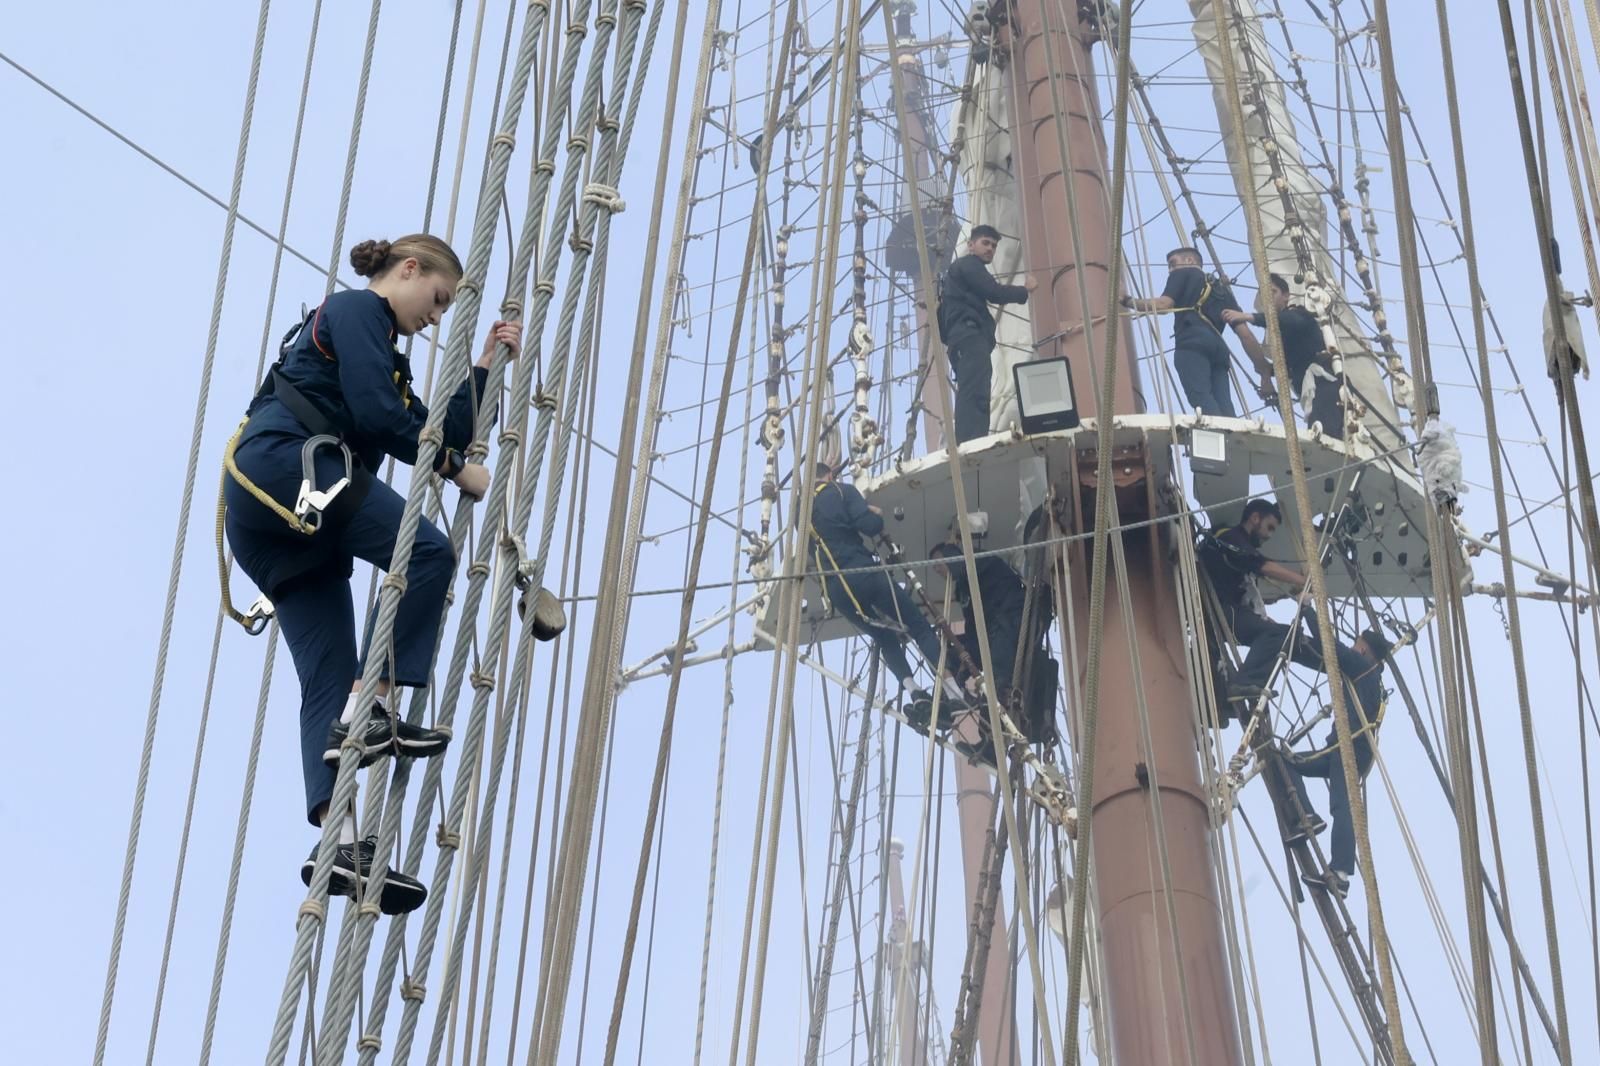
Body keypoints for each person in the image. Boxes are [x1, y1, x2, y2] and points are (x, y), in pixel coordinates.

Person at [224, 234, 522, 914]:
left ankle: (340, 844)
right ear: (409, 270)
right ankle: (379, 704)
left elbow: (427, 427)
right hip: (286, 466)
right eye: (438, 299)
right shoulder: (358, 312)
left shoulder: (385, 358)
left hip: (278, 520)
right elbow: (378, 416)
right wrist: (453, 469)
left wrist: (484, 372)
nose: (436, 316)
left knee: (327, 676)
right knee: (427, 554)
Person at [809, 462, 947, 696]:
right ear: (830, 476)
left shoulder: (802, 513)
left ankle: (913, 692)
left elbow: (815, 548)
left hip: (838, 591)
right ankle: (952, 689)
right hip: (862, 572)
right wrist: (875, 514)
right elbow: (869, 527)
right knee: (918, 625)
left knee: (883, 636)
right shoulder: (842, 490)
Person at [1285, 627, 1393, 899]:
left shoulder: (1362, 667)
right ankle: (1307, 814)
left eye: (1357, 644)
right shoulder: (1374, 678)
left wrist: (1309, 607)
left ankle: (1341, 873)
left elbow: (1330, 645)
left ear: (1364, 649)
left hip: (1347, 749)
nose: (1354, 648)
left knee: (1341, 806)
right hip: (1344, 749)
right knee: (1287, 763)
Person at [929, 541, 1057, 746]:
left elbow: (997, 582)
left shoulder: (980, 562)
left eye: (939, 562)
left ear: (951, 555)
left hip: (1008, 627)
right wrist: (962, 656)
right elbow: (972, 628)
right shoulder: (962, 590)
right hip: (988, 636)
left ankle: (990, 747)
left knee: (996, 686)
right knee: (942, 648)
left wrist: (959, 554)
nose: (937, 570)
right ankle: (953, 695)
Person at [1122, 247, 1272, 417]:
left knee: (1202, 401)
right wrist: (1265, 375)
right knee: (1225, 406)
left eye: (1172, 264)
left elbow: (1163, 305)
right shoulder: (1222, 290)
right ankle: (1232, 439)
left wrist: (1128, 301)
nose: (1170, 270)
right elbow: (1246, 335)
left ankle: (1218, 436)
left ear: (1190, 261)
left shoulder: (1182, 274)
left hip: (1192, 344)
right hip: (1219, 349)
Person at [1198, 499, 1318, 704]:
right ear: (1255, 518)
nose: (1269, 535)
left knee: (1283, 635)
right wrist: (1304, 580)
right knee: (1279, 633)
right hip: (1220, 612)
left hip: (1227, 613)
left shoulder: (1231, 541)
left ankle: (1236, 692)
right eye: (1269, 527)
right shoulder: (1231, 537)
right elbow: (1261, 565)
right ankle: (1245, 682)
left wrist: (1263, 619)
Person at [936, 224, 1037, 443]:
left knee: (974, 388)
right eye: (985, 243)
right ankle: (971, 440)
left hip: (962, 340)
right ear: (971, 245)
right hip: (970, 337)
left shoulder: (957, 275)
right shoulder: (968, 265)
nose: (990, 249)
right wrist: (1025, 290)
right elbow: (994, 292)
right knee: (976, 391)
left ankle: (971, 438)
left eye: (994, 245)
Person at [1222, 273, 1346, 439]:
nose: (1267, 299)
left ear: (1286, 296)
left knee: (1326, 437)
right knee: (1322, 434)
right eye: (1263, 296)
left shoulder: (1298, 314)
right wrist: (1267, 374)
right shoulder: (1283, 335)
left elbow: (1290, 321)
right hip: (1314, 391)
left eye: (1272, 292)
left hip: (1325, 386)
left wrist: (1247, 317)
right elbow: (1289, 364)